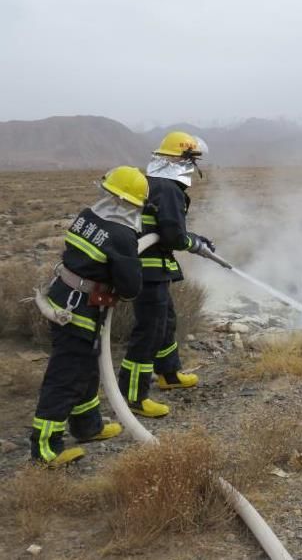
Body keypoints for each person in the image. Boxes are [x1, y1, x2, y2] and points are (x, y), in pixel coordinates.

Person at [30, 166, 148, 466]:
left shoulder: (87, 216)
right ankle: (45, 449)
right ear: (134, 204)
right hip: (79, 311)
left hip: (62, 298)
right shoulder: (122, 235)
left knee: (86, 368)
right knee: (66, 376)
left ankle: (87, 425)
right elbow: (131, 287)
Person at [119, 131, 215, 417]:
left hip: (152, 267)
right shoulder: (169, 188)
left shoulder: (154, 183)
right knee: (149, 330)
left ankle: (169, 373)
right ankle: (134, 395)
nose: (196, 166)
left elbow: (163, 230)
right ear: (182, 160)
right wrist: (192, 243)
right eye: (194, 160)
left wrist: (193, 237)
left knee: (165, 321)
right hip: (147, 271)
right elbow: (173, 236)